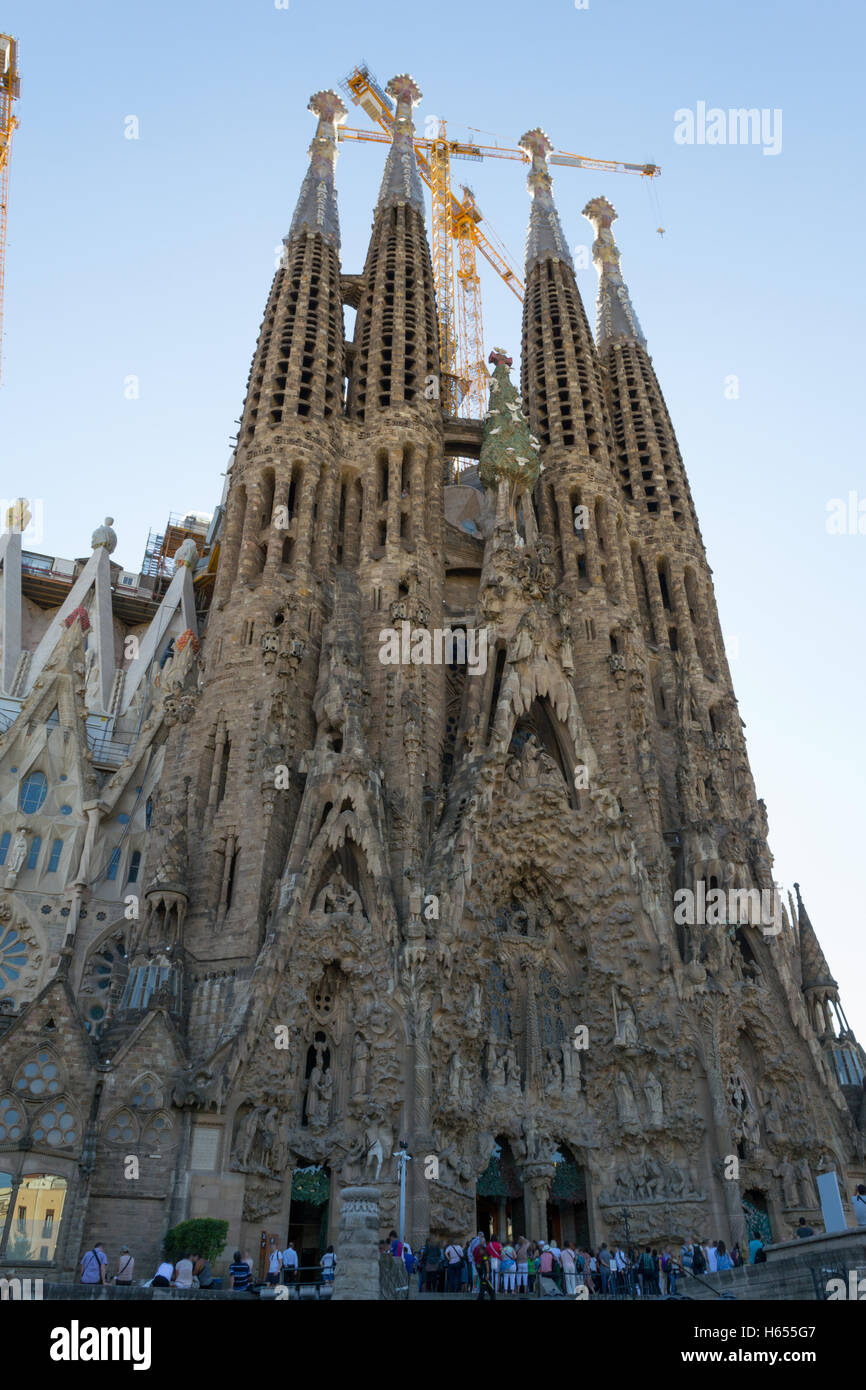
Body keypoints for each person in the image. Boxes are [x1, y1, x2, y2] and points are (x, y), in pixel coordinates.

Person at [473, 1235, 495, 1301]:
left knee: (484, 1283)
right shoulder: (484, 1251)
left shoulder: (476, 1249)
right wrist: (488, 1273)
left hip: (480, 1269)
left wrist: (477, 1264)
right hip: (483, 1270)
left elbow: (474, 1258)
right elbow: (487, 1263)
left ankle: (482, 1296)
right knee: (486, 1284)